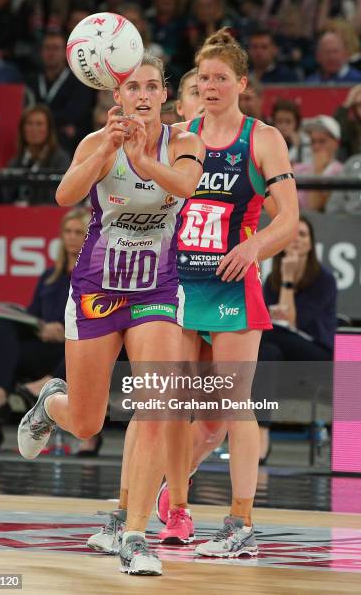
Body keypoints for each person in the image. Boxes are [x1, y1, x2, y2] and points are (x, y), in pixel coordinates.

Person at [91, 29, 298, 557]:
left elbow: (289, 222)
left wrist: (255, 250)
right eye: (202, 77)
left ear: (241, 84)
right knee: (162, 404)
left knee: (232, 406)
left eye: (220, 78)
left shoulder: (263, 138)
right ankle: (148, 512)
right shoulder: (180, 136)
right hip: (177, 280)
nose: (209, 85)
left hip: (230, 280)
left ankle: (240, 524)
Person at [17, 53, 205, 577]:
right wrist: (107, 149)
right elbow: (64, 195)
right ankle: (52, 404)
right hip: (98, 289)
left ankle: (137, 534)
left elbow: (185, 187)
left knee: (155, 403)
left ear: (163, 94)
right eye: (131, 88)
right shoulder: (97, 142)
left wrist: (142, 157)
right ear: (116, 96)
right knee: (87, 420)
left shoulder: (184, 142)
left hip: (158, 290)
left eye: (151, 86)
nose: (142, 95)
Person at [0, 207, 89, 452]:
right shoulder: (48, 277)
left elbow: (96, 320)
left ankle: (46, 385)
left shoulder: (93, 275)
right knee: (6, 330)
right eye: (67, 231)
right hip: (45, 347)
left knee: (82, 344)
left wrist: (62, 330)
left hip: (72, 352)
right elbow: (33, 315)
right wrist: (41, 328)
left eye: (78, 232)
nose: (72, 237)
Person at [253, 215, 337, 462]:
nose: (298, 240)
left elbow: (289, 323)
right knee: (267, 352)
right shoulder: (272, 279)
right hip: (282, 355)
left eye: (303, 235)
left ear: (311, 244)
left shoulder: (324, 280)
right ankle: (262, 435)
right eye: (294, 234)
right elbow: (272, 319)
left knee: (266, 334)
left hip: (317, 356)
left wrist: (288, 281)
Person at [4, 104, 70, 204]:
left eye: (39, 124)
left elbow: (62, 197)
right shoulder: (14, 163)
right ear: (23, 129)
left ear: (48, 129)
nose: (34, 129)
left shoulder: (60, 160)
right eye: (29, 124)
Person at [294, 115, 344, 211]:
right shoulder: (300, 168)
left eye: (322, 141)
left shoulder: (341, 171)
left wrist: (318, 170)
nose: (316, 146)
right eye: (313, 141)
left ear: (336, 143)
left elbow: (314, 207)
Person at [271, 98, 311, 164]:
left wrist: (296, 146)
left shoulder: (305, 141)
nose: (283, 126)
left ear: (296, 124)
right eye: (279, 121)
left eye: (288, 122)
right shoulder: (267, 142)